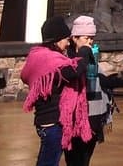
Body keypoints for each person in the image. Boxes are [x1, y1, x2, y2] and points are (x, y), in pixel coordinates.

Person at [20, 16, 93, 166]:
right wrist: (85, 51)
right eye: (66, 39)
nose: (67, 43)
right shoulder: (49, 59)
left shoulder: (38, 56)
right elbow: (74, 71)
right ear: (57, 39)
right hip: (52, 125)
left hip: (45, 122)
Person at [65, 16, 108, 166]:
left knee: (85, 160)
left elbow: (101, 84)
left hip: (94, 118)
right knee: (74, 160)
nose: (90, 41)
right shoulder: (66, 59)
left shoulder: (93, 58)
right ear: (74, 38)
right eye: (86, 37)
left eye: (92, 38)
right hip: (74, 119)